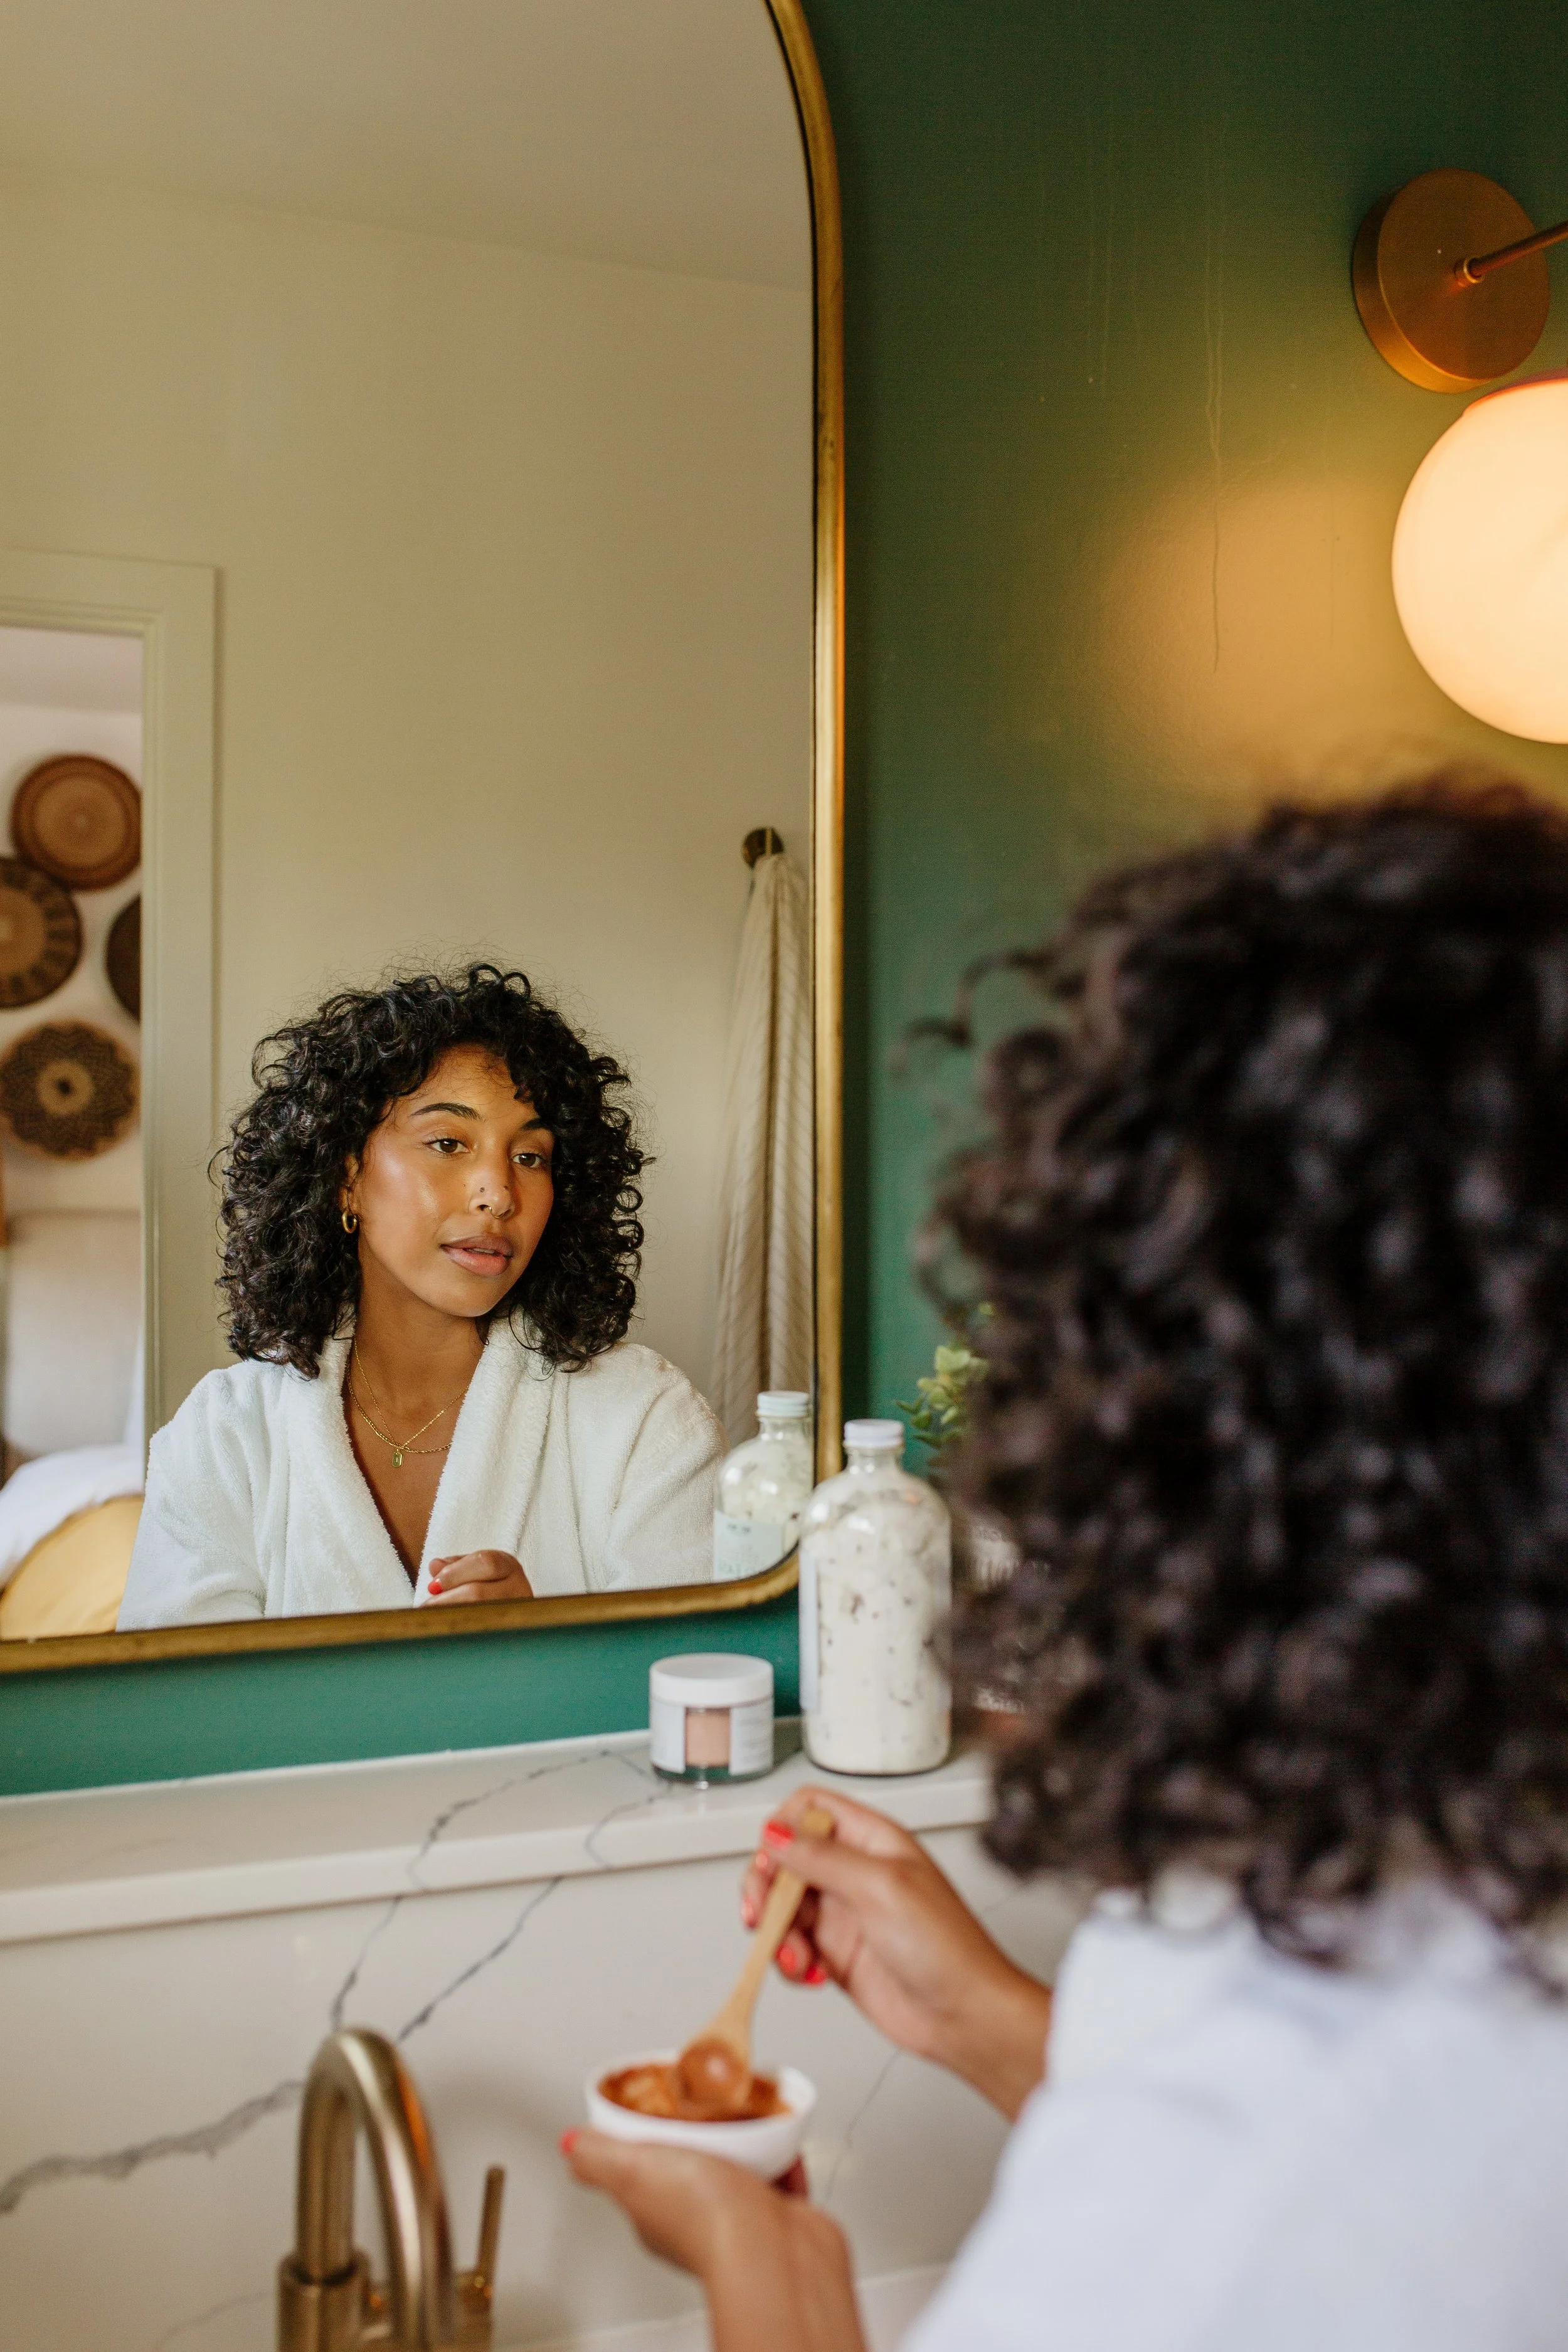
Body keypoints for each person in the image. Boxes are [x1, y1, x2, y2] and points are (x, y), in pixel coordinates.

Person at [565, 779, 1568, 2349]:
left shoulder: (1252, 2184)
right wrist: (991, 2019)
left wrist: (768, 2274)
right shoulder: (1442, 1928)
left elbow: (1288, 2186)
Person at [119, 965, 723, 1624]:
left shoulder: (645, 1418)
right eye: (447, 1143)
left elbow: (703, 1687)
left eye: (530, 1157)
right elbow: (179, 1714)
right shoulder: (224, 1435)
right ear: (346, 1176)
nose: (498, 1193)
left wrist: (550, 1642)